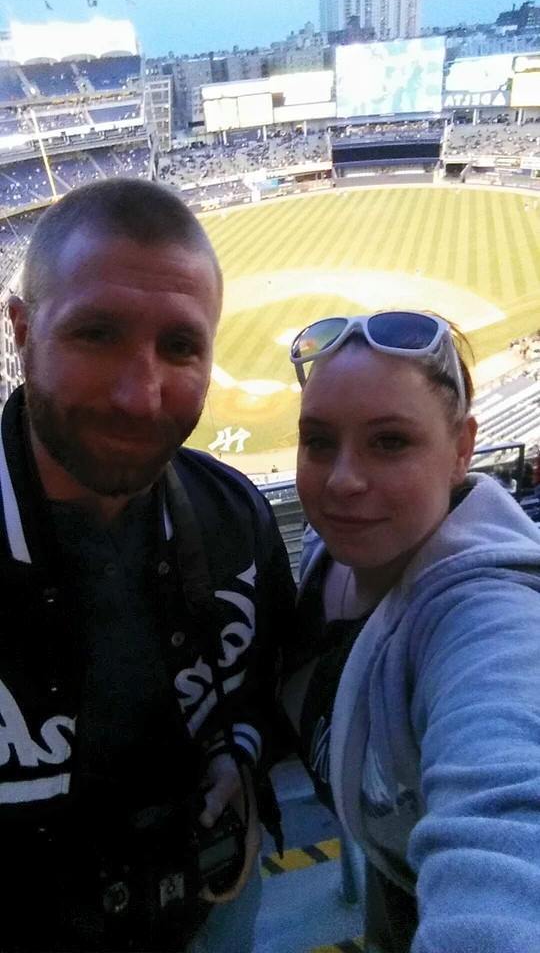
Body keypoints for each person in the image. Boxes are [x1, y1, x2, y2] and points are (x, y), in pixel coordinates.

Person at [1, 178, 295, 952]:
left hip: (213, 914)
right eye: (96, 333)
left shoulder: (237, 519)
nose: (141, 396)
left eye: (180, 346)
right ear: (21, 331)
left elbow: (271, 684)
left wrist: (240, 753)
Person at [281, 310, 540, 953]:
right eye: (318, 441)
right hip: (388, 877)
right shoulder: (330, 549)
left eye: (390, 441)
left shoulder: (489, 617)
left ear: (462, 449)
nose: (342, 480)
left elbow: (507, 822)